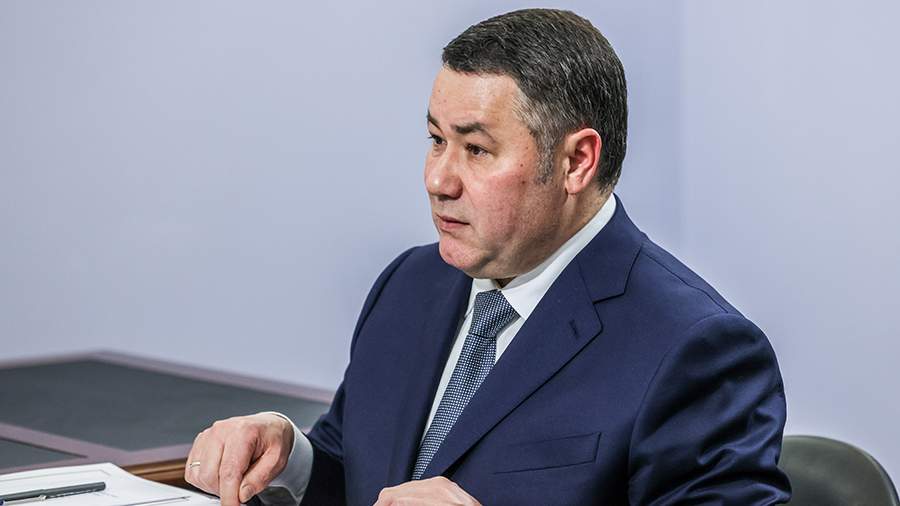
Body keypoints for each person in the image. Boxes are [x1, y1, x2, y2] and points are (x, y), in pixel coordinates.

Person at [184, 8, 791, 505]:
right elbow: (362, 477)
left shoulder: (695, 348)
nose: (437, 180)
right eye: (435, 140)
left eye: (475, 149)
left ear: (576, 161)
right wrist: (292, 461)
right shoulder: (409, 283)